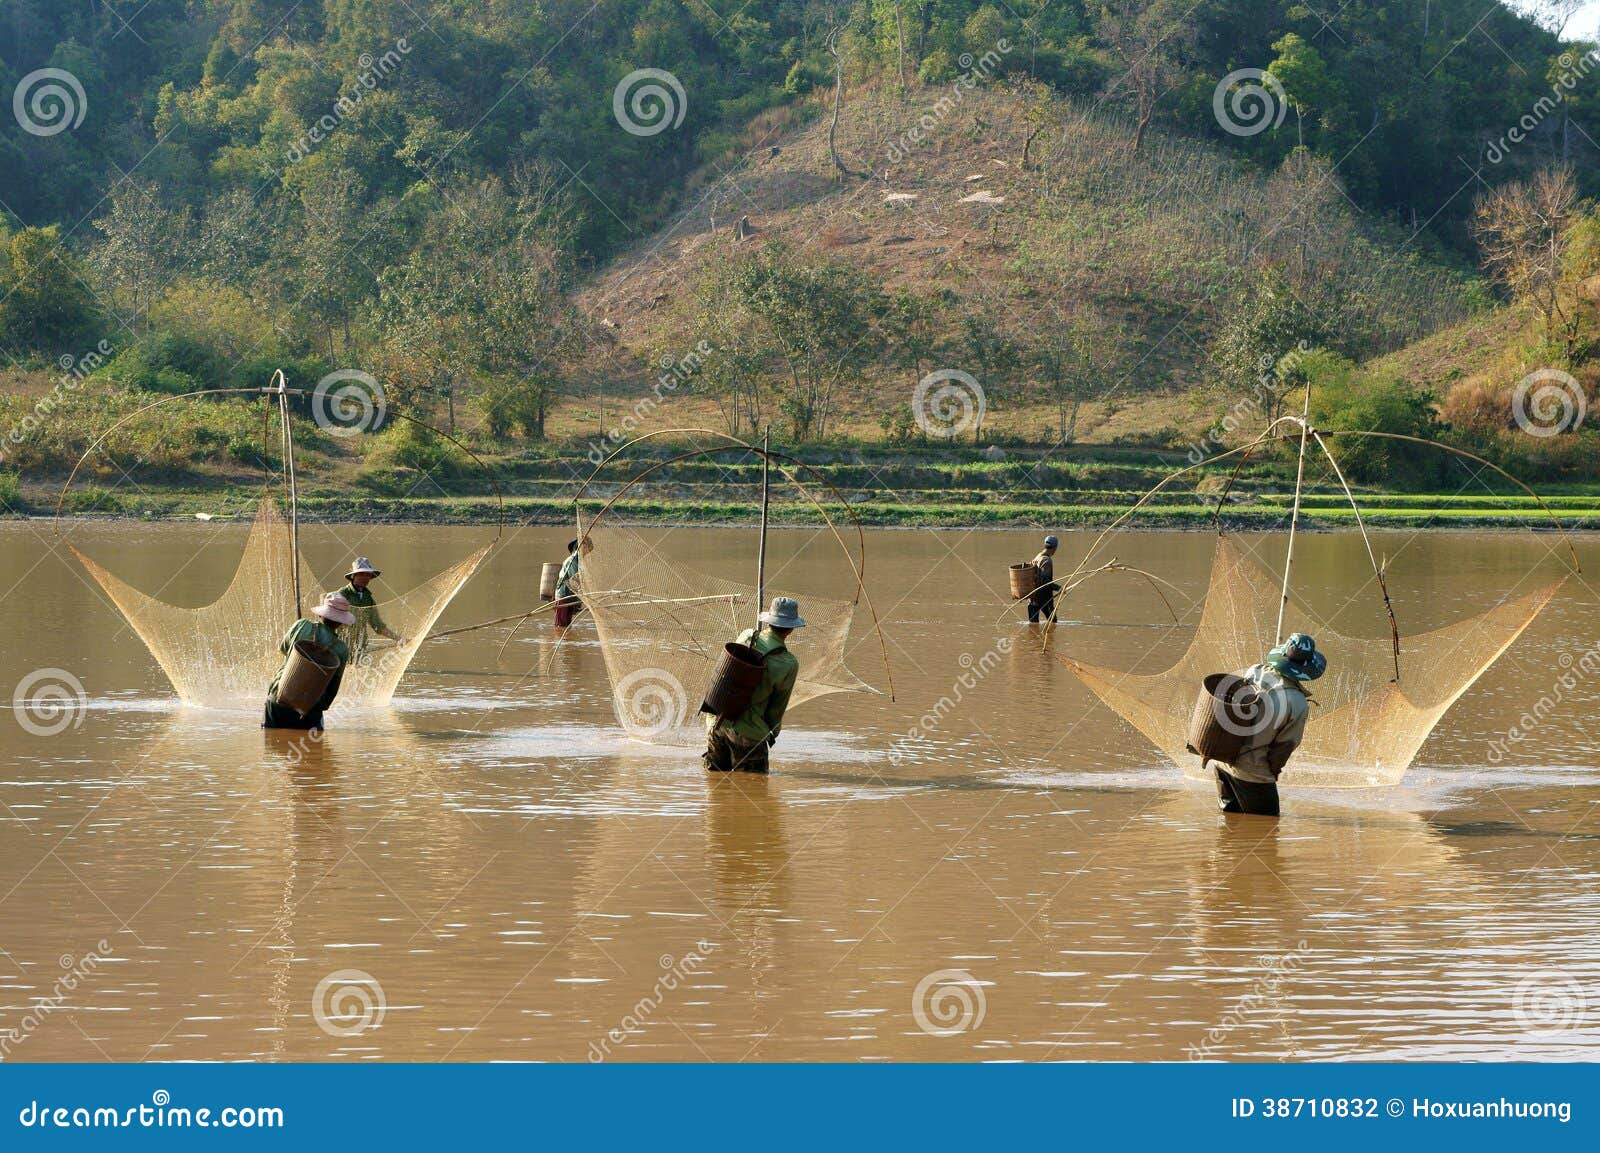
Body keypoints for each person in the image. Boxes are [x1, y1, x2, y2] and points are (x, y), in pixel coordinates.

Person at [1210, 632, 1325, 817]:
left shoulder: (1254, 671)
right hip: (1253, 774)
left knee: (1229, 822)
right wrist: (1273, 772)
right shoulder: (1296, 702)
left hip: (1222, 759)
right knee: (1266, 831)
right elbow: (1284, 746)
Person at [703, 597, 803, 774]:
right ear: (791, 629)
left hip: (716, 723)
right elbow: (776, 709)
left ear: (769, 621)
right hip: (749, 734)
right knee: (752, 788)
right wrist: (771, 732)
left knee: (715, 789)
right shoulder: (788, 663)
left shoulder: (747, 635)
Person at [262, 593, 355, 732]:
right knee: (310, 748)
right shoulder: (341, 649)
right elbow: (333, 687)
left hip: (278, 696)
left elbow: (283, 648)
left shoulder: (301, 625)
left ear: (321, 614)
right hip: (310, 707)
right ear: (341, 623)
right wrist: (320, 707)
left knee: (271, 744)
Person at [337, 557, 405, 665]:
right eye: (361, 574)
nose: (365, 578)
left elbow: (378, 626)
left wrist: (398, 639)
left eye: (368, 575)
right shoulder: (343, 594)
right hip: (339, 649)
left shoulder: (368, 599)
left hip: (359, 648)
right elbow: (328, 620)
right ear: (353, 576)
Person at [554, 537, 592, 629]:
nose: (587, 551)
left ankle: (567, 641)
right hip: (563, 597)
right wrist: (586, 598)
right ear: (580, 547)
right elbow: (575, 580)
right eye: (586, 548)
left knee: (566, 627)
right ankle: (560, 641)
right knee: (560, 627)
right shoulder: (573, 560)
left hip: (570, 597)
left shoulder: (579, 561)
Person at [1028, 535, 1059, 624]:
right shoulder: (1047, 561)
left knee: (1033, 626)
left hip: (1032, 598)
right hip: (1044, 599)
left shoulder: (1038, 557)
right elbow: (1046, 582)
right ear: (1055, 548)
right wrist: (1059, 588)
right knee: (1053, 623)